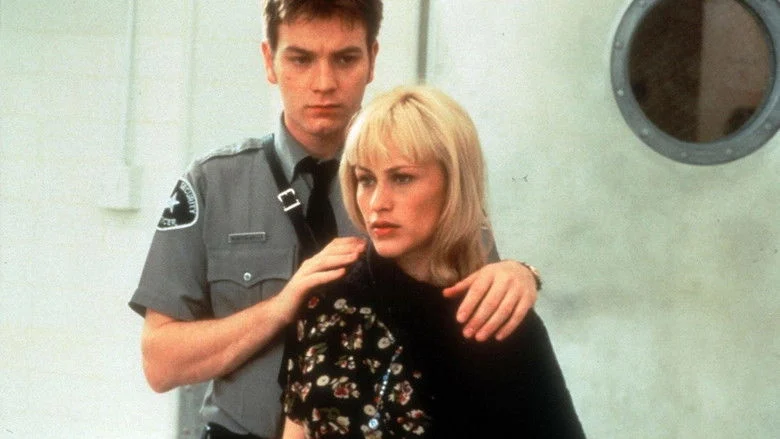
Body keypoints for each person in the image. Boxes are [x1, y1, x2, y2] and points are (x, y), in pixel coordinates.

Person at [129, 2, 541, 438]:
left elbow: (479, 305)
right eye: (301, 59)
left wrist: (521, 273)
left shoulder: (421, 185)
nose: (324, 83)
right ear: (269, 61)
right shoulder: (213, 184)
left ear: (372, 60)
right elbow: (160, 363)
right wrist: (280, 308)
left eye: (345, 59)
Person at [279, 85, 584, 438]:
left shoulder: (497, 318)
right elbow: (295, 430)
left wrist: (525, 273)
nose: (377, 202)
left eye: (402, 177)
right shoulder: (328, 297)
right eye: (366, 179)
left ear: (453, 183)